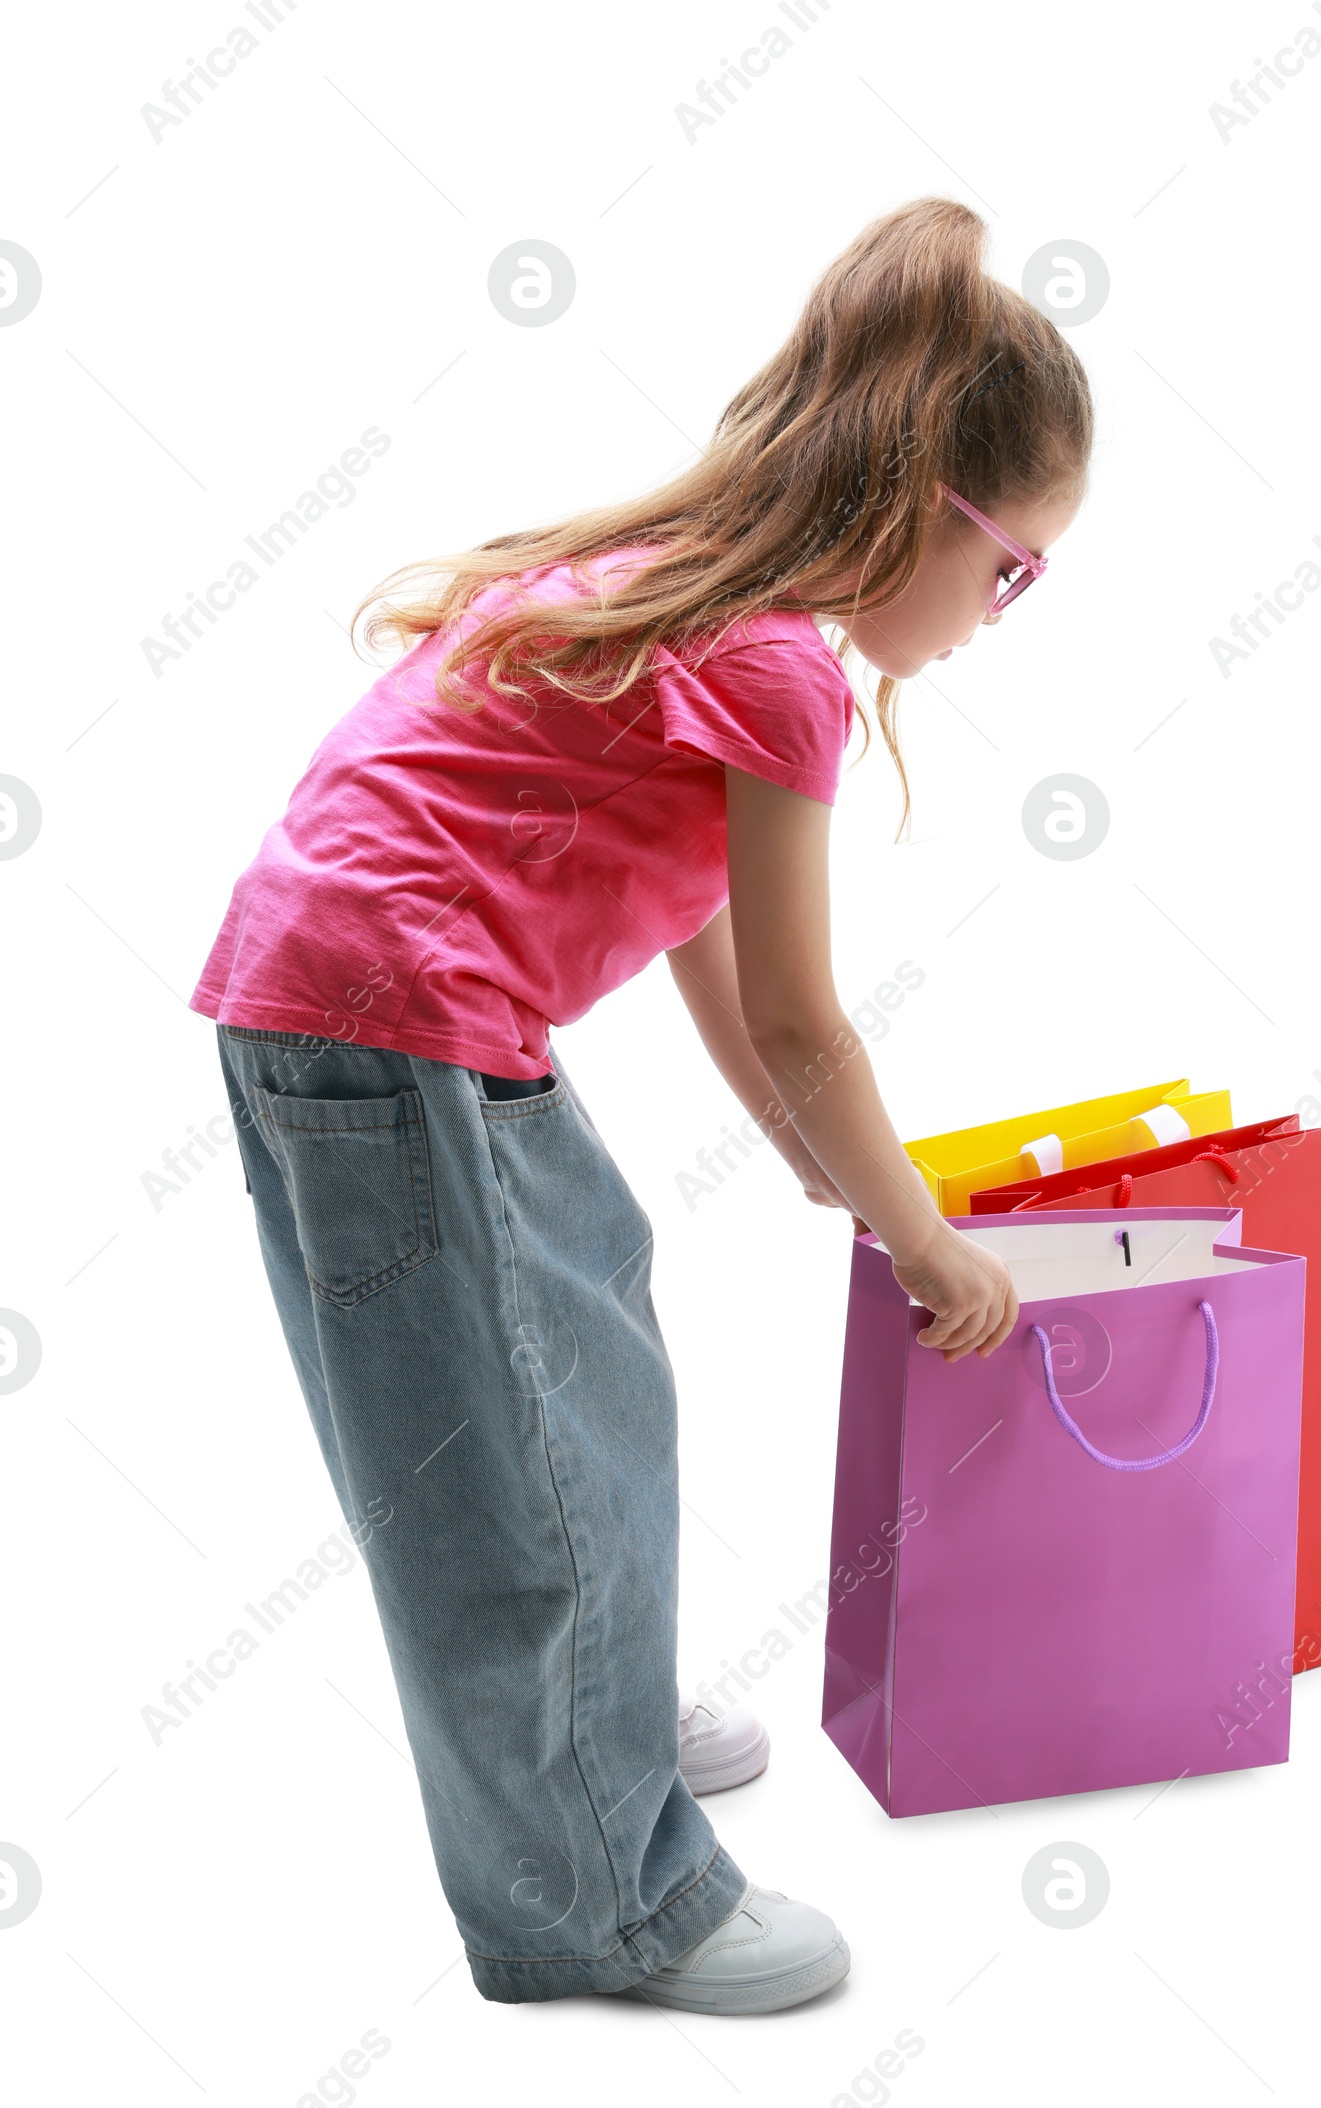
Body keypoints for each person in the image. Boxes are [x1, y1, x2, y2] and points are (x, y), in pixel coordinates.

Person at [191, 195, 1093, 2015]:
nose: (1006, 617)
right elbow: (807, 1015)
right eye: (1016, 570)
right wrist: (924, 1240)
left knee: (578, 1371)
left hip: (382, 1008)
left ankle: (595, 1710)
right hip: (400, 1020)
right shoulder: (771, 662)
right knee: (501, 1467)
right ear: (932, 510)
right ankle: (600, 1898)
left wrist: (814, 1173)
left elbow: (717, 976)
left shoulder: (700, 596)